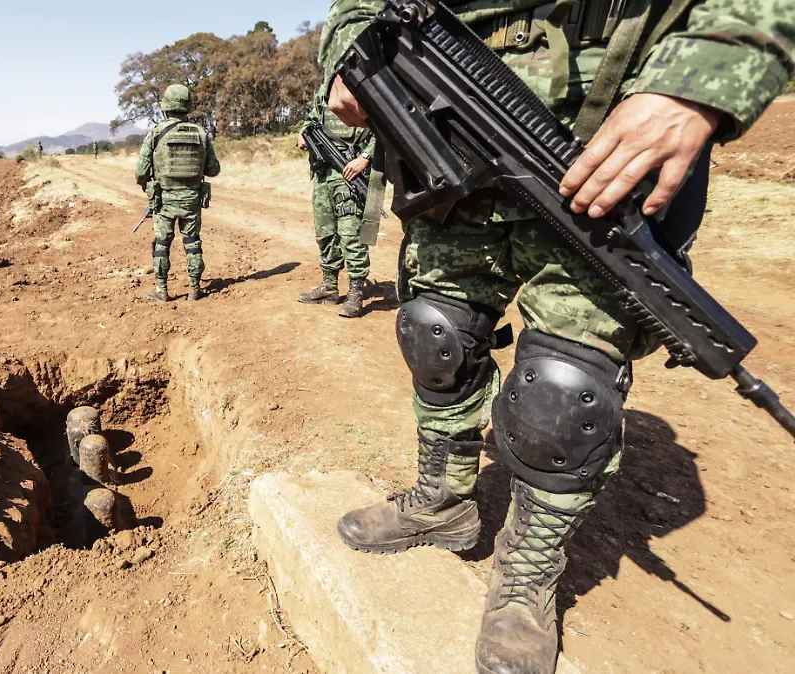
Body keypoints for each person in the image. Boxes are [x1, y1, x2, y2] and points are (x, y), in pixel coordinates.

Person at [317, 1, 793, 673]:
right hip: (438, 110)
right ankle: (441, 503)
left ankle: (525, 573)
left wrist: (703, 79)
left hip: (606, 133)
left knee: (564, 397)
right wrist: (347, 53)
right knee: (436, 336)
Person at [135, 84, 221, 302]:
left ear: (166, 108)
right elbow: (213, 170)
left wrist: (148, 187)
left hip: (164, 200)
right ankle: (194, 289)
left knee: (162, 244)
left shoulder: (155, 133)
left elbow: (140, 173)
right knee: (192, 242)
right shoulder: (201, 134)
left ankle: (162, 290)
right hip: (191, 198)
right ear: (187, 107)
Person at [296, 96, 374, 318]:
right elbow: (313, 118)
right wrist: (302, 133)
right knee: (325, 232)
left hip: (351, 173)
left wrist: (365, 158)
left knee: (351, 235)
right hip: (323, 175)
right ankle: (329, 287)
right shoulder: (327, 90)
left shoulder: (368, 87)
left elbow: (387, 129)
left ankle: (356, 294)